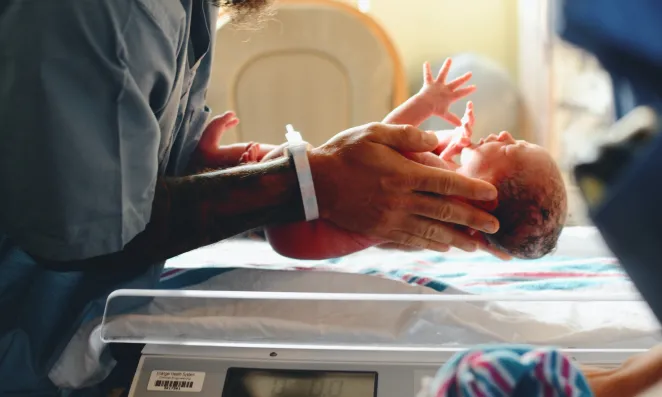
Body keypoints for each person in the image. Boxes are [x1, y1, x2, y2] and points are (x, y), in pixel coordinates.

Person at [0, 0, 503, 394]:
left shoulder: (184, 10)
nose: (501, 140)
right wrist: (305, 182)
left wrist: (197, 168)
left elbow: (105, 164)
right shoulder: (108, 12)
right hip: (27, 337)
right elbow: (91, 227)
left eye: (513, 153)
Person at [209, 64, 567, 260]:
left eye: (511, 149)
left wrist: (427, 103)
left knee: (283, 155)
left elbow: (384, 137)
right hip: (303, 238)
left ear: (488, 196)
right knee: (282, 160)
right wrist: (453, 145)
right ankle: (214, 161)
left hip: (307, 224)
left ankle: (211, 160)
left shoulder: (438, 184)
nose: (504, 135)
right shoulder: (455, 219)